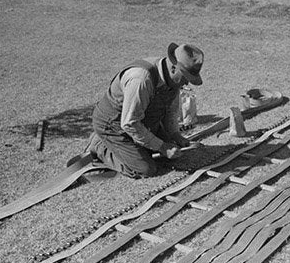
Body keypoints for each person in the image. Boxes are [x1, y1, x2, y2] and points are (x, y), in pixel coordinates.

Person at [81, 43, 204, 179]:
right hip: (113, 125)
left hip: (143, 121)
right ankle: (99, 145)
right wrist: (162, 147)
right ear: (174, 68)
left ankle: (134, 147)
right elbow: (130, 123)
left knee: (172, 154)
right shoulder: (141, 79)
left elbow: (170, 111)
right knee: (146, 169)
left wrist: (175, 135)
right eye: (186, 78)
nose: (186, 83)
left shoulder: (172, 79)